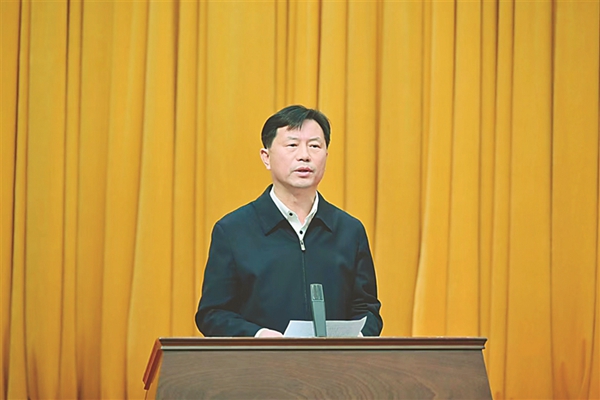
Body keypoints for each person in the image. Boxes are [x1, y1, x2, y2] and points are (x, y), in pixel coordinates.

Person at [195, 105, 383, 337]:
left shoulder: (349, 231)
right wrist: (259, 336)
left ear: (326, 156)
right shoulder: (233, 231)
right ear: (266, 157)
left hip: (334, 360)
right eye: (292, 145)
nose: (304, 155)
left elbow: (367, 309)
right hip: (262, 359)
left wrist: (356, 339)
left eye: (315, 146)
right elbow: (213, 314)